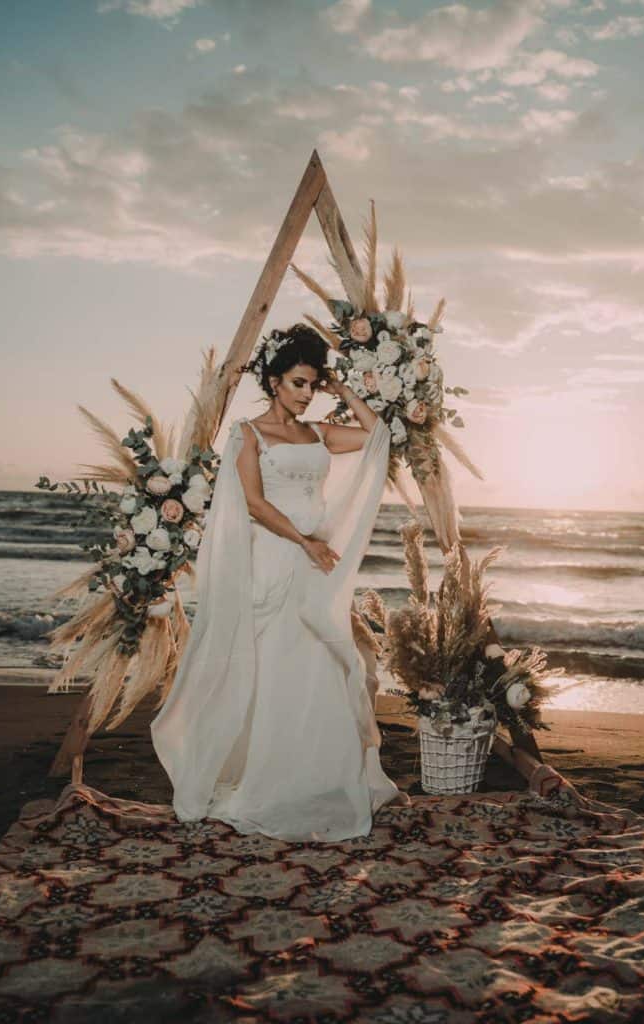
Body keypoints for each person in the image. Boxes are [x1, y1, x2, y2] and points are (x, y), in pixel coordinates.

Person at [150, 324, 410, 841]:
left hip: (314, 562)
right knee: (274, 665)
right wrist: (304, 541)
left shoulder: (319, 433)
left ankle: (321, 779)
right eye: (298, 383)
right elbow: (253, 502)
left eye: (313, 384)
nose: (306, 393)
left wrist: (344, 390)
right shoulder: (248, 433)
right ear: (273, 381)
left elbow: (379, 436)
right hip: (275, 556)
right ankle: (268, 781)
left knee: (319, 661)